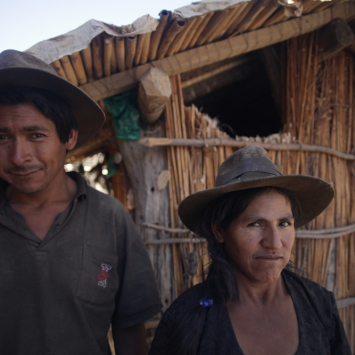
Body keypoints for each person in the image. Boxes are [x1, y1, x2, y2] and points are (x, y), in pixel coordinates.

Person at [0, 50, 162, 355]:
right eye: (2, 137)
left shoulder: (110, 218)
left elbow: (129, 329)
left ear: (69, 138)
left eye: (35, 135)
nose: (19, 156)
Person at [149, 145, 351, 355]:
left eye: (283, 223)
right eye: (255, 224)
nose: (274, 243)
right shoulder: (186, 317)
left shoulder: (320, 305)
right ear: (219, 231)